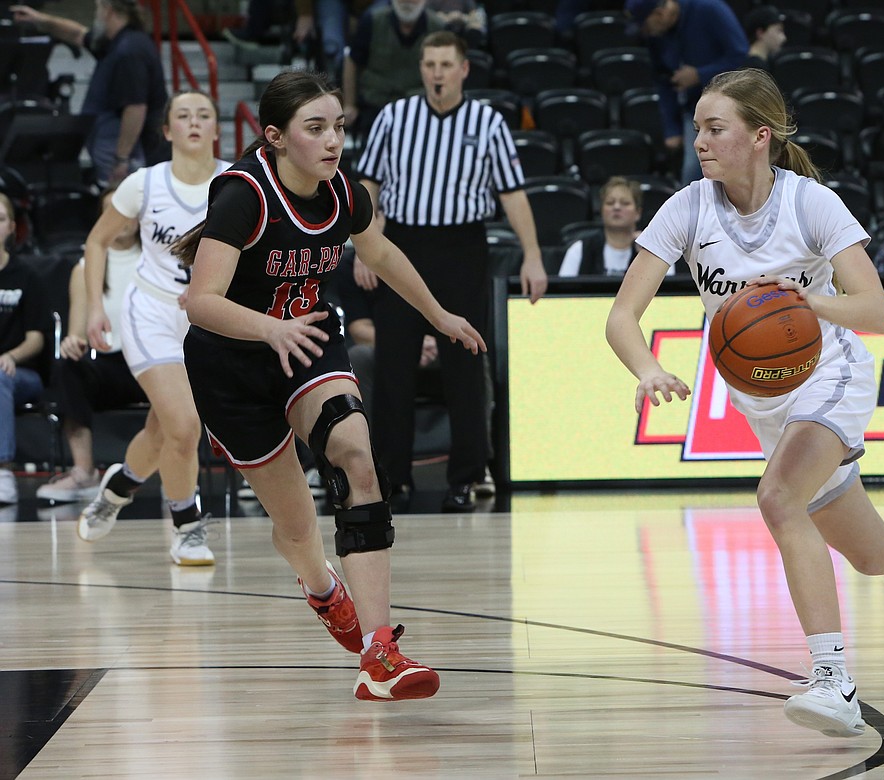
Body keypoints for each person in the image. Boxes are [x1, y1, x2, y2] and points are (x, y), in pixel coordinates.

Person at [605, 69, 884, 738]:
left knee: (777, 499)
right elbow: (622, 315)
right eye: (697, 129)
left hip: (830, 373)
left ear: (759, 136)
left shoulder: (812, 203)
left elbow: (876, 310)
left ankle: (834, 679)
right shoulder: (687, 208)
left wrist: (806, 302)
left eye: (715, 129)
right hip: (764, 397)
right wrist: (646, 365)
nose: (701, 142)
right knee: (872, 552)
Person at [172, 69, 485, 702]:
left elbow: (382, 254)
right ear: (276, 137)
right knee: (294, 526)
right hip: (231, 365)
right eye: (315, 128)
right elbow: (198, 301)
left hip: (307, 343)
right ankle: (320, 586)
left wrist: (438, 313)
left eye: (338, 126)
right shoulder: (243, 196)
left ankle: (380, 654)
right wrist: (268, 330)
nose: (333, 140)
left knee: (354, 456)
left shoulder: (342, 191)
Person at [355, 31, 546, 512]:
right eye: (429, 64)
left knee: (464, 365)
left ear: (464, 69)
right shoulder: (394, 117)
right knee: (393, 363)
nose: (436, 73)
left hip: (462, 247)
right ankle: (392, 477)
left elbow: (513, 193)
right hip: (402, 243)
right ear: (420, 68)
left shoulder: (488, 122)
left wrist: (533, 254)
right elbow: (368, 185)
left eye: (445, 64)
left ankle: (465, 476)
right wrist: (363, 246)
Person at [77, 91, 230, 566]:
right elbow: (97, 241)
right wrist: (93, 309)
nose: (194, 122)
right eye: (182, 116)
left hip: (206, 320)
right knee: (185, 426)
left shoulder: (235, 182)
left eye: (203, 114)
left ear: (216, 128)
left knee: (164, 431)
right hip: (151, 312)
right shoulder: (144, 184)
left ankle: (117, 489)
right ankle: (187, 526)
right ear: (166, 131)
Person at [36, 189, 149, 504]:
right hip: (110, 365)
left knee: (181, 371)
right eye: (110, 209)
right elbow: (77, 334)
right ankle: (84, 472)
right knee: (69, 367)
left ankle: (175, 475)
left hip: (153, 363)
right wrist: (73, 342)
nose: (120, 216)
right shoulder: (86, 267)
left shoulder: (156, 261)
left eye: (125, 208)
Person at [11, 1, 167, 187]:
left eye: (98, 8)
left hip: (131, 155)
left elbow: (135, 108)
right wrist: (38, 18)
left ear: (109, 10)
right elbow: (77, 34)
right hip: (111, 146)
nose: (97, 15)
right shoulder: (114, 43)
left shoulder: (129, 50)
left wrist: (121, 159)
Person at [625, 0, 748, 184]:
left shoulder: (709, 9)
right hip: (694, 111)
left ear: (660, 14)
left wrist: (700, 75)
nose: (645, 32)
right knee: (692, 178)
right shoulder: (657, 36)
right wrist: (671, 128)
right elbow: (663, 80)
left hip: (734, 107)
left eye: (645, 25)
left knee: (703, 173)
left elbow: (741, 56)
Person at [0, 193, 49, 505]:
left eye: (0, 218)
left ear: (11, 227)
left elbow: (37, 337)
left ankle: (3, 470)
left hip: (20, 375)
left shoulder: (27, 275)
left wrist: (10, 356)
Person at [342, 0, 444, 136]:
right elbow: (352, 61)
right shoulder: (371, 21)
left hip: (420, 107)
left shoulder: (438, 27)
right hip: (375, 105)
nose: (407, 2)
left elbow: (448, 70)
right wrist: (349, 104)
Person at [559, 177, 650, 277]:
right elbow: (563, 288)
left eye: (625, 203)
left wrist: (647, 255)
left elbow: (666, 286)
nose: (616, 207)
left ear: (638, 213)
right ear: (601, 211)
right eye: (610, 203)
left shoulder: (649, 250)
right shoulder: (579, 249)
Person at [740, 6, 785, 72]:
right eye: (779, 30)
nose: (784, 38)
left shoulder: (765, 63)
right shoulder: (754, 68)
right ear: (760, 33)